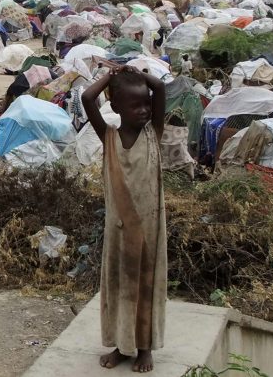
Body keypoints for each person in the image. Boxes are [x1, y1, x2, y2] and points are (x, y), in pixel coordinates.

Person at [81, 61, 167, 373]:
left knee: (145, 287)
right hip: (118, 232)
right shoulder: (109, 138)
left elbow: (159, 88)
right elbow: (88, 99)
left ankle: (144, 349)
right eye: (135, 105)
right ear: (116, 106)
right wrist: (112, 76)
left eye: (146, 105)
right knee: (119, 288)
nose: (144, 110)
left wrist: (135, 73)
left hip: (149, 230)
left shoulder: (153, 135)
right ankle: (121, 345)